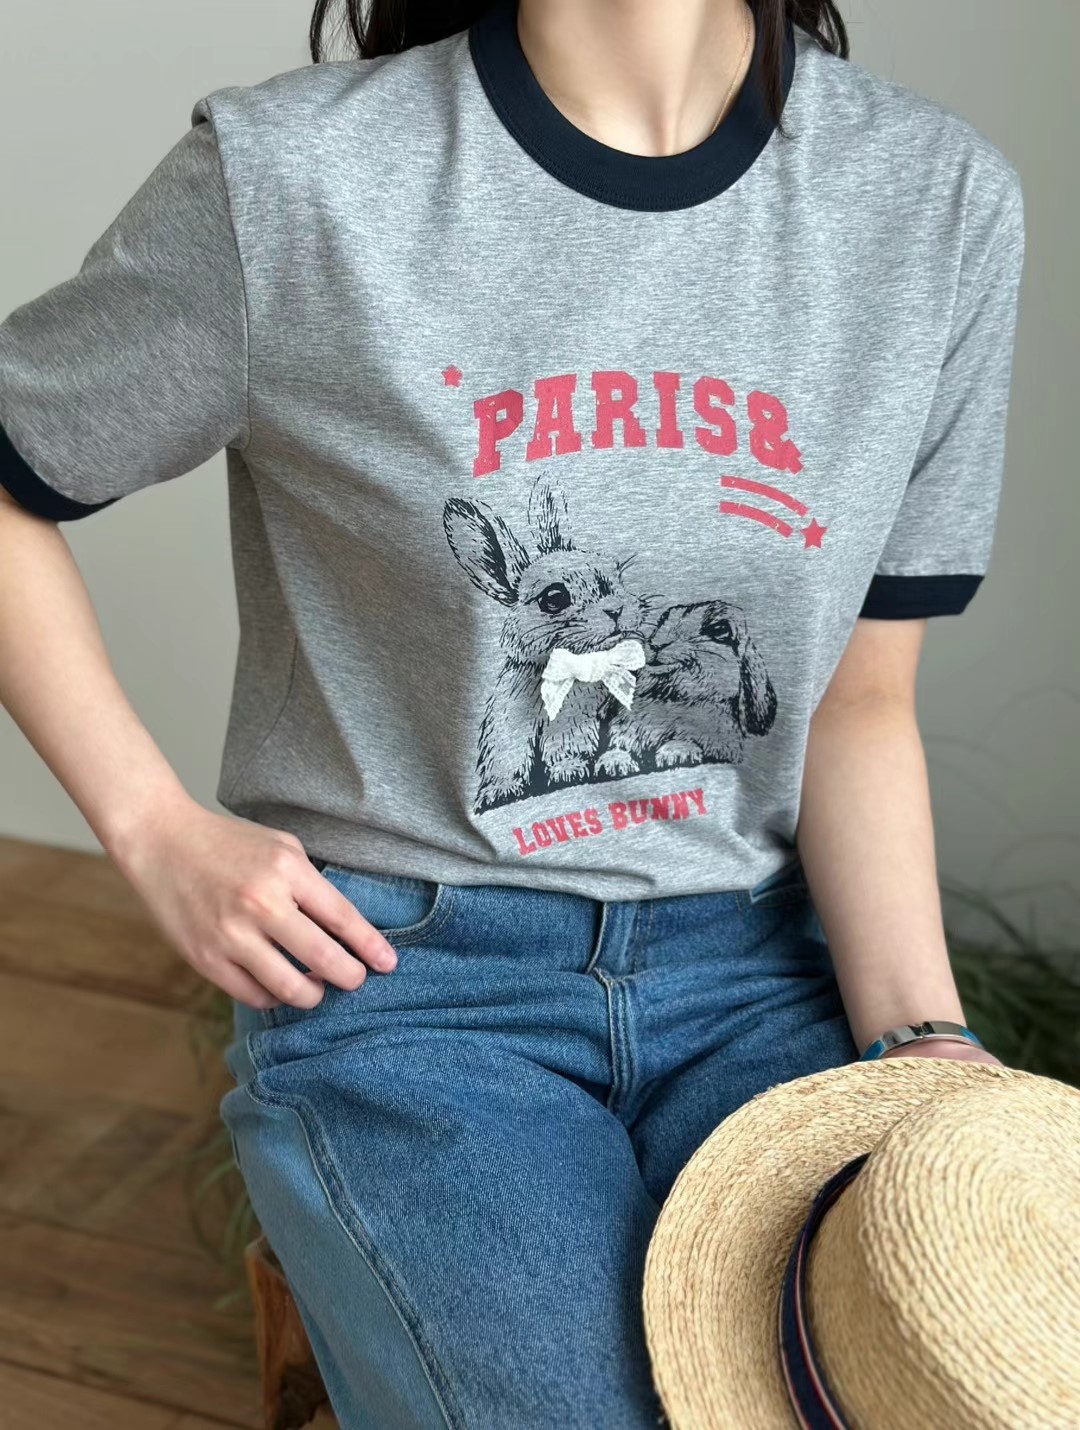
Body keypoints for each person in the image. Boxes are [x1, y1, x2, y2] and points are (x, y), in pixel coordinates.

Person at [0, 0, 1025, 1425]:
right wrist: (152, 827)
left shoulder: (935, 202)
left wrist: (922, 1050)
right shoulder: (294, 182)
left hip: (761, 969)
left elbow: (857, 703)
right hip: (416, 982)